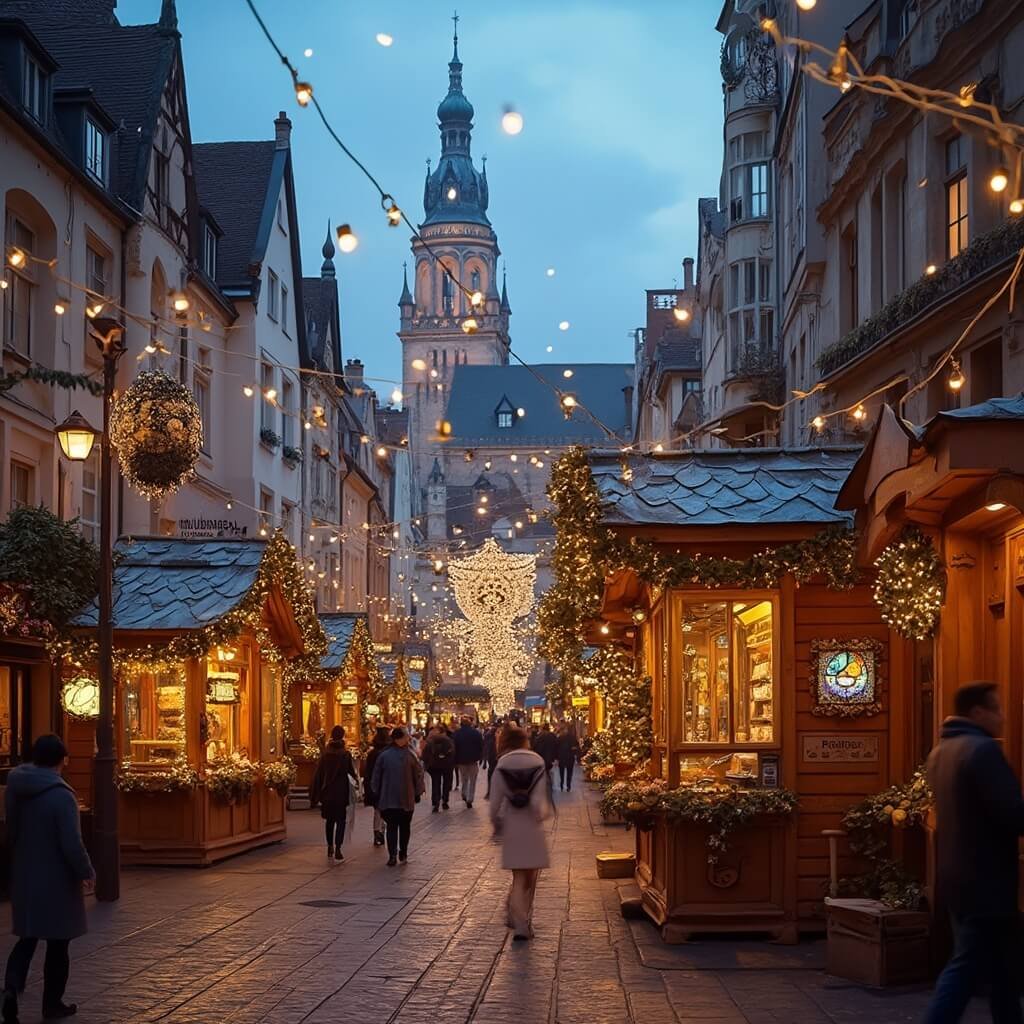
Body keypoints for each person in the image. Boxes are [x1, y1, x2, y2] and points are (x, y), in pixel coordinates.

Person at [923, 681, 1024, 1024]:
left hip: (956, 876)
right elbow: (1012, 813)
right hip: (987, 880)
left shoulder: (940, 752)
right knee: (966, 967)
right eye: (997, 709)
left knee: (1002, 971)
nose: (1003, 716)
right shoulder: (982, 751)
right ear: (978, 712)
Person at [2, 734, 94, 1023]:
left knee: (26, 938)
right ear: (61, 760)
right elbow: (71, 843)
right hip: (56, 879)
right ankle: (52, 1004)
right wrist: (86, 870)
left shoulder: (16, 788)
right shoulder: (62, 795)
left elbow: (11, 832)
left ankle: (10, 990)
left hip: (26, 873)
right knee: (58, 944)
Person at [489, 724, 552, 941]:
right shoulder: (537, 761)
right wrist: (541, 814)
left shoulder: (502, 764)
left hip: (512, 824)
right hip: (532, 823)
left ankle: (520, 922)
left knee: (517, 877)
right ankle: (524, 917)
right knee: (531, 876)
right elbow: (539, 798)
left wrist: (495, 822)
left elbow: (494, 800)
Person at [370, 727, 425, 866]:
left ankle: (392, 855)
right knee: (404, 826)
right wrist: (418, 792)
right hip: (406, 798)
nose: (408, 739)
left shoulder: (384, 755)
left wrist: (376, 792)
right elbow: (418, 775)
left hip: (388, 799)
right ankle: (403, 852)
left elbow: (375, 777)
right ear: (399, 739)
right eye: (406, 736)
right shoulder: (410, 755)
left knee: (392, 827)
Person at [309, 725, 356, 861]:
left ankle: (330, 846)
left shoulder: (325, 754)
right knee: (341, 820)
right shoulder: (345, 754)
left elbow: (319, 774)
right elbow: (351, 772)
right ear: (342, 736)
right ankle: (338, 848)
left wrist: (316, 792)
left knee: (329, 821)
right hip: (341, 792)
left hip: (327, 792)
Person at [362, 726, 391, 847]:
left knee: (377, 810)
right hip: (387, 784)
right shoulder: (388, 752)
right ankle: (382, 831)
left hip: (374, 785)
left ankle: (377, 833)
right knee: (385, 810)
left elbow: (367, 771)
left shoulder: (372, 753)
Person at [422, 724, 455, 812]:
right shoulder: (448, 740)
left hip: (434, 766)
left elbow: (425, 754)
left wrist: (427, 764)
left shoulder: (430, 740)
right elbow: (453, 752)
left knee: (435, 784)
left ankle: (435, 802)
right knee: (446, 783)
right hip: (447, 765)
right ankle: (445, 800)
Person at [453, 717, 484, 808]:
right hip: (473, 760)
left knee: (464, 778)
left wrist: (455, 759)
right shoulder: (476, 733)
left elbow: (454, 747)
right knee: (473, 779)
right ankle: (470, 798)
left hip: (461, 760)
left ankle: (464, 793)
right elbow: (481, 746)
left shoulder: (457, 733)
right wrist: (480, 757)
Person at [556, 725, 580, 792]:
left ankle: (562, 784)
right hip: (570, 757)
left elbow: (556, 748)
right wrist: (574, 752)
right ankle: (568, 785)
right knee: (569, 772)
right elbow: (577, 746)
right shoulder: (572, 738)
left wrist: (557, 757)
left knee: (562, 772)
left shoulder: (560, 738)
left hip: (562, 757)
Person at [482, 724, 498, 799]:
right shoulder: (493, 739)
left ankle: (490, 792)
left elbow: (486, 749)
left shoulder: (489, 738)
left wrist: (484, 762)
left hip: (493, 760)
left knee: (491, 776)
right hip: (494, 760)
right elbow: (487, 749)